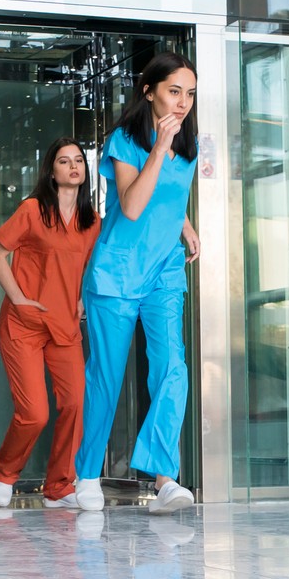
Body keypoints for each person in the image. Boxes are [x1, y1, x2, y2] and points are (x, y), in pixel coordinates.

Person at [74, 53, 202, 515]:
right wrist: (157, 148)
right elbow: (131, 206)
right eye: (174, 91)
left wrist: (184, 223)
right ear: (149, 91)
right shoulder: (126, 140)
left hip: (165, 268)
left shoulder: (188, 144)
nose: (183, 102)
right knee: (106, 379)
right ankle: (86, 473)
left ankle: (165, 477)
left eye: (189, 93)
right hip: (118, 270)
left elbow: (168, 194)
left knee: (172, 368)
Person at [0, 138, 100, 511]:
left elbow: (85, 266)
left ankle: (59, 487)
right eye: (64, 161)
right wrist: (18, 298)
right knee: (34, 412)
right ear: (51, 172)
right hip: (25, 324)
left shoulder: (91, 222)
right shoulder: (33, 210)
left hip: (65, 327)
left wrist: (82, 297)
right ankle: (4, 473)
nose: (73, 166)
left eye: (79, 161)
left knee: (74, 404)